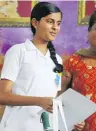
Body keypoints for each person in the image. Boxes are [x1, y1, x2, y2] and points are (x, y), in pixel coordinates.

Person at [0, 2, 84, 131]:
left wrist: (71, 119)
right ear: (35, 23)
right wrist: (39, 101)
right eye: (50, 21)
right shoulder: (18, 51)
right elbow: (2, 96)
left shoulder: (57, 60)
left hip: (47, 127)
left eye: (58, 23)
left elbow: (52, 101)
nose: (55, 27)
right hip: (18, 126)